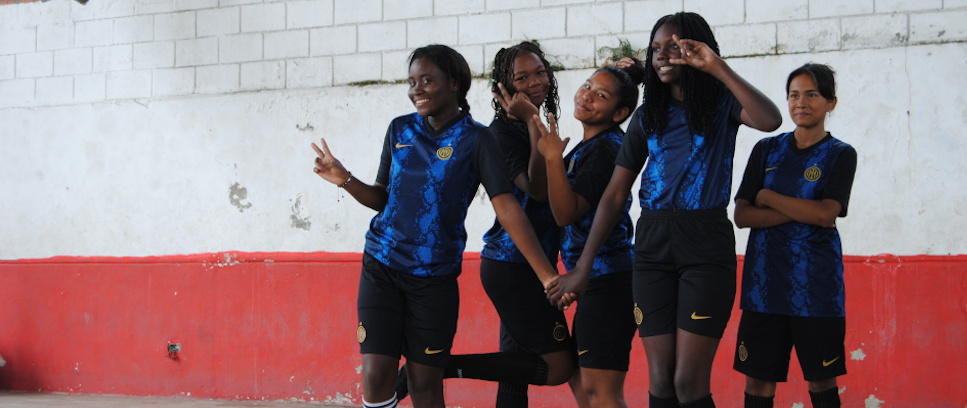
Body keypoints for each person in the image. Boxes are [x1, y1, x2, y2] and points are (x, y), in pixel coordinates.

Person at [546, 12, 783, 408]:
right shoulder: (647, 115)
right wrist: (583, 269)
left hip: (705, 246)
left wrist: (717, 68)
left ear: (699, 48)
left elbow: (770, 119)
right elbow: (615, 194)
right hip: (653, 246)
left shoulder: (722, 106)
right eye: (656, 48)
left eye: (674, 46)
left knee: (688, 382)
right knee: (660, 382)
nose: (662, 55)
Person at [311, 44, 489, 408]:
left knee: (425, 385)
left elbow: (505, 199)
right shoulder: (399, 129)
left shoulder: (477, 139)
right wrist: (345, 179)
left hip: (433, 277)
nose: (416, 89)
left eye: (427, 80)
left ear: (454, 84)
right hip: (382, 265)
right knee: (376, 376)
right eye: (412, 81)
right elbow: (382, 197)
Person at [732, 63, 856, 408]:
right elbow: (742, 215)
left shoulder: (841, 154)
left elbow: (825, 213)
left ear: (831, 102)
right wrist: (803, 209)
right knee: (758, 382)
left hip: (817, 288)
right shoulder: (766, 150)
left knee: (821, 381)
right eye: (794, 95)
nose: (801, 102)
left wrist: (768, 197)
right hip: (764, 286)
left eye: (812, 94)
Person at [531, 62, 644, 408]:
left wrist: (552, 157)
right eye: (587, 86)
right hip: (595, 276)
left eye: (602, 95)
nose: (588, 96)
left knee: (599, 390)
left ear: (620, 112)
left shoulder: (608, 148)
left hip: (608, 278)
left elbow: (565, 212)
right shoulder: (591, 146)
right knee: (583, 384)